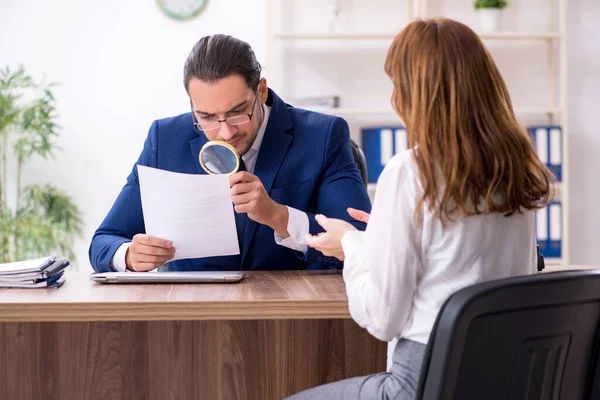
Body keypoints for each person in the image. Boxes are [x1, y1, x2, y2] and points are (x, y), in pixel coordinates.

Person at [287, 17, 553, 400]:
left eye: (396, 84)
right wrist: (376, 239)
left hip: (427, 380)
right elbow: (453, 258)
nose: (393, 97)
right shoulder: (516, 168)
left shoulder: (411, 171)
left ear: (417, 93)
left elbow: (381, 318)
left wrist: (352, 247)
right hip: (504, 376)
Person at [89, 34, 371, 273]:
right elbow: (104, 242)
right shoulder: (164, 139)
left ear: (261, 91)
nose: (225, 133)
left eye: (237, 113)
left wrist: (279, 216)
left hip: (290, 319)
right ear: (192, 105)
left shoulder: (323, 136)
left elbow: (360, 243)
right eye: (208, 116)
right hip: (188, 320)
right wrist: (127, 255)